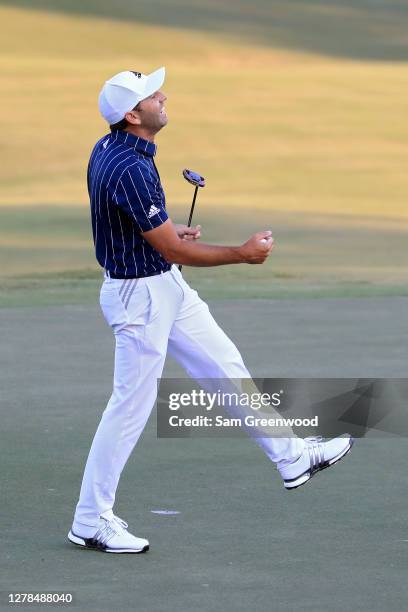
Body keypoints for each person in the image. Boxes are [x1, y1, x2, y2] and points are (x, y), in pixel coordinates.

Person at [68, 67, 353, 554]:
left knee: (224, 364)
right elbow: (173, 250)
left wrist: (166, 229)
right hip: (141, 298)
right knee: (130, 409)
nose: (162, 96)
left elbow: (141, 228)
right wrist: (242, 254)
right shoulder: (130, 167)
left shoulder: (114, 148)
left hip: (161, 284)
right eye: (150, 95)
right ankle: (91, 519)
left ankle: (291, 458)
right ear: (133, 115)